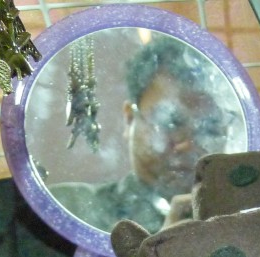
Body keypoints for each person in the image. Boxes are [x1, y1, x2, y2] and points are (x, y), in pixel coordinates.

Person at [50, 35, 240, 233]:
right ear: (129, 119)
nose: (187, 144)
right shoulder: (69, 209)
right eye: (169, 122)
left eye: (210, 127)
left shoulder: (246, 214)